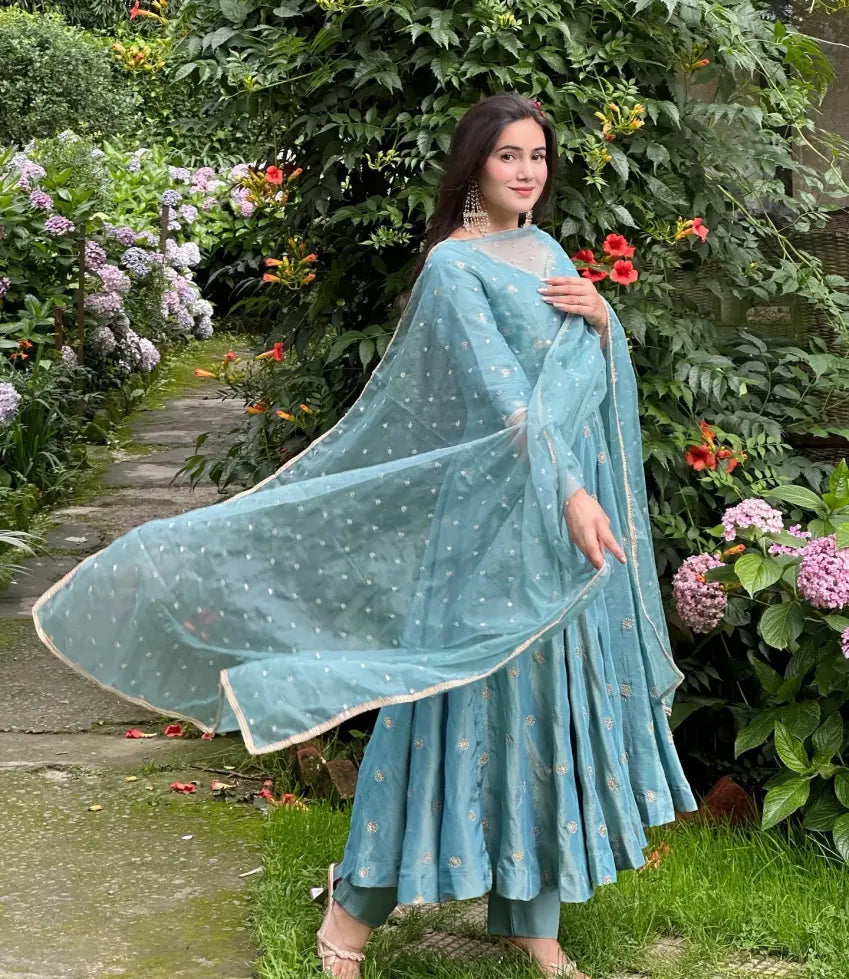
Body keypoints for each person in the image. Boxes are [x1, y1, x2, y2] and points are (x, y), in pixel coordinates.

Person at [33, 94, 697, 979]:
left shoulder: (544, 251)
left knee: (543, 716)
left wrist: (604, 323)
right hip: (483, 534)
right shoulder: (454, 269)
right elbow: (508, 402)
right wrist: (573, 492)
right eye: (507, 155)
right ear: (474, 164)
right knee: (440, 717)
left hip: (548, 532)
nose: (526, 171)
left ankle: (528, 918)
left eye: (537, 155)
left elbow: (575, 379)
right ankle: (350, 915)